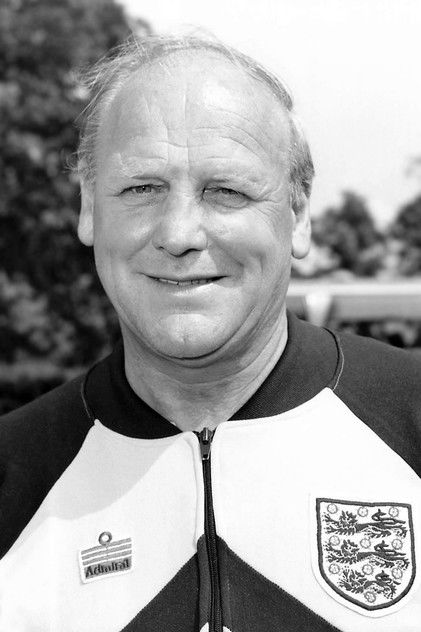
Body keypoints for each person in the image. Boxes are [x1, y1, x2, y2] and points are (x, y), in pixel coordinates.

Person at [0, 34, 420, 632]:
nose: (179, 234)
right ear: (89, 207)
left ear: (299, 214)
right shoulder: (13, 478)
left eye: (226, 191)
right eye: (141, 188)